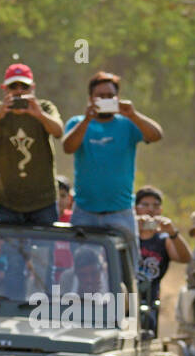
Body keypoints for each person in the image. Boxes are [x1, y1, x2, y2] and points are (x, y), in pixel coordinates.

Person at [62, 71, 163, 276]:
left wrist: (132, 114)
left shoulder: (127, 124)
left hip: (120, 212)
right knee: (81, 271)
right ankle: (84, 307)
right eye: (100, 96)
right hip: (85, 212)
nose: (105, 100)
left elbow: (156, 134)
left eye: (110, 96)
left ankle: (127, 307)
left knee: (127, 272)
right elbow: (68, 147)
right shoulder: (77, 123)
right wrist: (87, 120)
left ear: (117, 97)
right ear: (90, 98)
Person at [0, 63, 63, 227]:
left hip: (44, 201)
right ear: (4, 89)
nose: (19, 91)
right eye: (13, 86)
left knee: (43, 252)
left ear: (33, 88)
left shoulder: (44, 107)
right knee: (12, 252)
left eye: (24, 86)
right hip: (9, 201)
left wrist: (39, 115)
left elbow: (58, 132)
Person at [134, 186, 189, 304]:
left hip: (151, 301)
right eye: (145, 205)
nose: (150, 209)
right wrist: (132, 229)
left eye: (156, 205)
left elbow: (185, 258)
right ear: (135, 208)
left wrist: (173, 233)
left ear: (161, 210)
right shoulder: (127, 236)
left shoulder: (164, 240)